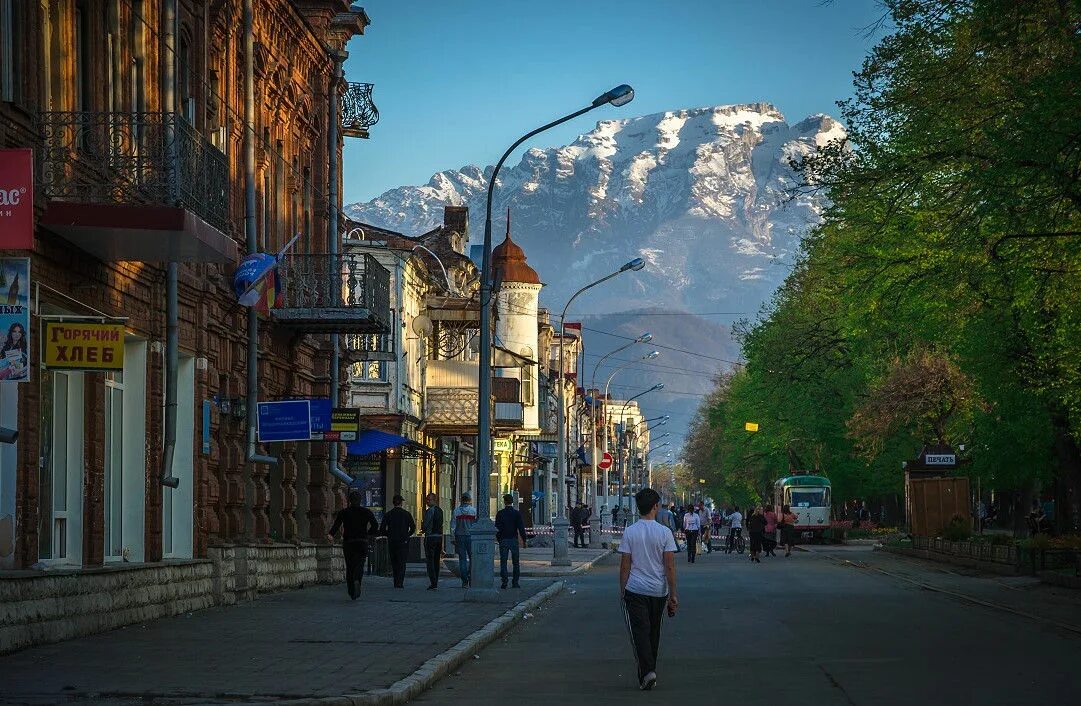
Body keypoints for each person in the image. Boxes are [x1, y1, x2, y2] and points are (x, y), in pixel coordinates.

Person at [619, 487, 678, 691]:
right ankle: (649, 671)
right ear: (656, 506)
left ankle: (647, 672)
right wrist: (673, 595)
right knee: (654, 631)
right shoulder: (665, 533)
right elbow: (669, 566)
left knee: (639, 633)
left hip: (635, 589)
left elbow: (625, 564)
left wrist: (622, 590)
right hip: (658, 591)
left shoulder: (630, 531)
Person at [326, 489, 379, 600]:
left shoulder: (344, 512)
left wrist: (330, 534)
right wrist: (368, 534)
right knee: (360, 564)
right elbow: (375, 525)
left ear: (349, 501)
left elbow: (336, 525)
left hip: (349, 542)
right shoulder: (366, 512)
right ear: (360, 500)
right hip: (362, 541)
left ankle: (351, 590)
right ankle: (357, 580)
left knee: (350, 566)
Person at [380, 495, 416, 588]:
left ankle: (396, 581)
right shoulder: (406, 514)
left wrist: (389, 534)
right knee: (402, 562)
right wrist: (407, 535)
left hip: (392, 541)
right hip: (403, 541)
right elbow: (413, 528)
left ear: (393, 503)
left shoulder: (388, 514)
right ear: (401, 503)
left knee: (394, 561)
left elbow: (382, 529)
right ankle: (400, 582)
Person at [495, 493, 528, 589]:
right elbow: (521, 528)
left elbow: (497, 527)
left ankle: (504, 582)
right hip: (513, 540)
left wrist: (499, 538)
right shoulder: (516, 513)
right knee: (516, 562)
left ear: (504, 502)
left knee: (503, 562)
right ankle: (515, 583)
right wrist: (524, 540)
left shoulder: (500, 513)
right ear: (512, 502)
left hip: (503, 540)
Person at [451, 492, 477, 588]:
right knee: (472, 558)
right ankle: (471, 576)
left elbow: (453, 526)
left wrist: (453, 538)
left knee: (462, 559)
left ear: (461, 500)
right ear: (470, 500)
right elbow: (476, 525)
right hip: (471, 537)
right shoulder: (474, 511)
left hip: (459, 536)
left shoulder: (456, 511)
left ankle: (464, 581)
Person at [421, 493, 444, 590]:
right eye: (427, 499)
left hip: (430, 537)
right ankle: (436, 581)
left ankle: (433, 582)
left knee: (430, 560)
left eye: (429, 500)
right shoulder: (440, 510)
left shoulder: (430, 511)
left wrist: (423, 528)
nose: (427, 501)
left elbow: (426, 525)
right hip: (438, 537)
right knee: (436, 561)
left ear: (434, 500)